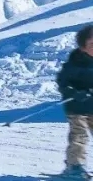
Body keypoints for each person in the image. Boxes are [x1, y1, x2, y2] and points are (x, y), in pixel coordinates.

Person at [58, 24, 93, 178]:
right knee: (79, 136)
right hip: (76, 107)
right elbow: (63, 82)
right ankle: (75, 165)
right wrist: (74, 92)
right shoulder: (74, 63)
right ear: (82, 47)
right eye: (92, 44)